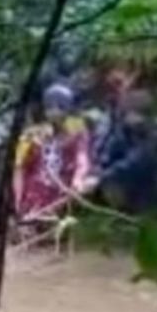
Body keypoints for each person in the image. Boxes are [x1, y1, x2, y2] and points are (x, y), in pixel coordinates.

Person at [13, 84, 94, 226]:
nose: (55, 112)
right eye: (50, 107)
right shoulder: (30, 135)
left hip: (62, 191)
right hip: (34, 193)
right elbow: (19, 168)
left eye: (60, 107)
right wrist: (17, 202)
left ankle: (54, 217)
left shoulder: (77, 131)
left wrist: (78, 178)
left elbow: (82, 158)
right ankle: (29, 217)